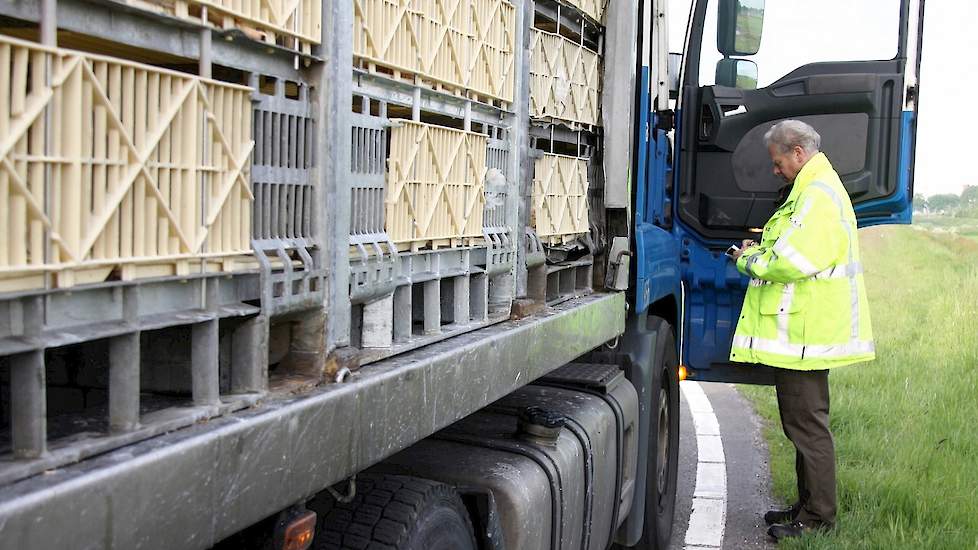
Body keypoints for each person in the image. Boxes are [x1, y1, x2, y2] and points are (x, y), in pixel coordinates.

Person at [729, 120, 875, 541]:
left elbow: (789, 261)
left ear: (797, 152)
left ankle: (817, 519)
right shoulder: (813, 190)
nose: (775, 171)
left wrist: (746, 260)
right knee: (802, 424)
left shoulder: (816, 196)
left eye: (778, 163)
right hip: (803, 335)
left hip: (806, 336)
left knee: (807, 427)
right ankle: (806, 506)